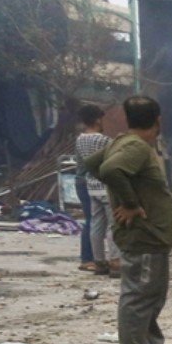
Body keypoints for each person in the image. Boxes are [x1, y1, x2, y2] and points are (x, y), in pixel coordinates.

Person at [82, 95, 172, 344]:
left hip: (151, 238)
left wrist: (122, 193)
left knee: (152, 296)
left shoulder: (123, 142)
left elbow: (92, 164)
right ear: (158, 121)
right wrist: (129, 203)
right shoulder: (136, 147)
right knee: (139, 297)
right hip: (143, 236)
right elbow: (108, 169)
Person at [74, 104, 118, 276]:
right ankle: (115, 261)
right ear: (98, 119)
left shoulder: (80, 139)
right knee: (113, 226)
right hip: (105, 186)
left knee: (95, 224)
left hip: (89, 185)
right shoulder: (105, 141)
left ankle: (98, 260)